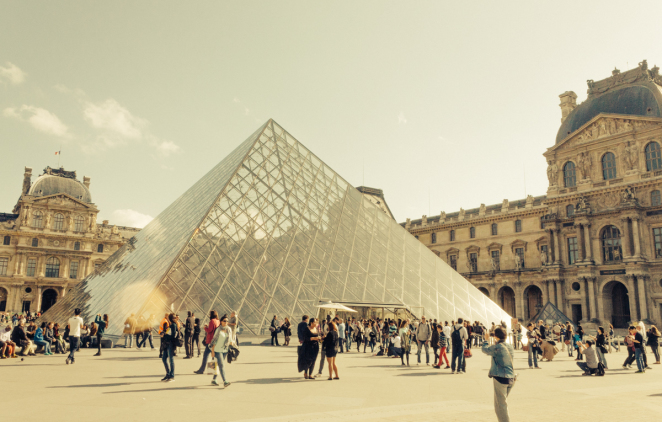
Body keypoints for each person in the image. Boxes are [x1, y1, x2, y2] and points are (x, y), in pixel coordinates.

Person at [481, 327, 516, 422]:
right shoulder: (510, 346)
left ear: (495, 336)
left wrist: (486, 340)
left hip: (500, 378)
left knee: (500, 406)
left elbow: (485, 349)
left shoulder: (498, 347)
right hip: (511, 378)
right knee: (502, 404)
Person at [209, 314, 233, 387]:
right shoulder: (218, 329)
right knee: (222, 365)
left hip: (225, 350)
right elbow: (214, 341)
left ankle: (214, 380)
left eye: (227, 321)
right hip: (217, 350)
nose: (226, 322)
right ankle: (225, 381)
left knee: (219, 365)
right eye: (224, 321)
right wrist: (212, 351)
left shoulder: (229, 329)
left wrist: (231, 347)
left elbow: (231, 340)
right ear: (221, 322)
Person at [160, 313, 179, 382]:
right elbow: (169, 333)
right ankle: (168, 374)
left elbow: (173, 336)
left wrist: (164, 336)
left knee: (171, 360)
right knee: (164, 358)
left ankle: (172, 375)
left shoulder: (173, 325)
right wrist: (164, 334)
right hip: (167, 344)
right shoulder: (171, 325)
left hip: (170, 344)